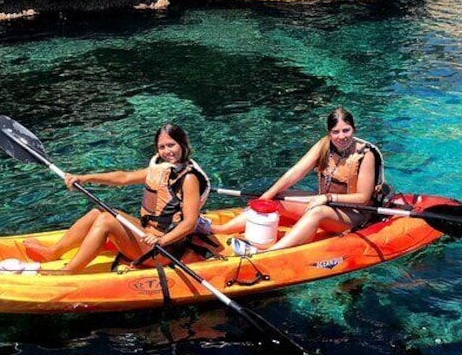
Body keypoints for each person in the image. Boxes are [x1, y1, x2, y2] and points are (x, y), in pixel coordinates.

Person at [23, 123, 211, 273]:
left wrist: (161, 241)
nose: (167, 151)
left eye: (171, 145)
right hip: (147, 236)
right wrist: (86, 178)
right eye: (162, 147)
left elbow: (189, 223)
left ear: (182, 145)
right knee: (100, 211)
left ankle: (69, 271)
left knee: (106, 220)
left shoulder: (188, 179)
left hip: (164, 249)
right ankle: (53, 252)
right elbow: (124, 177)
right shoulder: (162, 170)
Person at [213, 107, 384, 254]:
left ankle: (270, 253)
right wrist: (267, 196)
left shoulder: (366, 155)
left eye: (346, 130)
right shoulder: (325, 145)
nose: (341, 136)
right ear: (329, 133)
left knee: (318, 212)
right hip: (326, 203)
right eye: (336, 132)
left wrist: (328, 198)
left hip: (354, 214)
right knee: (278, 198)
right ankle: (221, 229)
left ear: (354, 129)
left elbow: (362, 197)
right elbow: (296, 172)